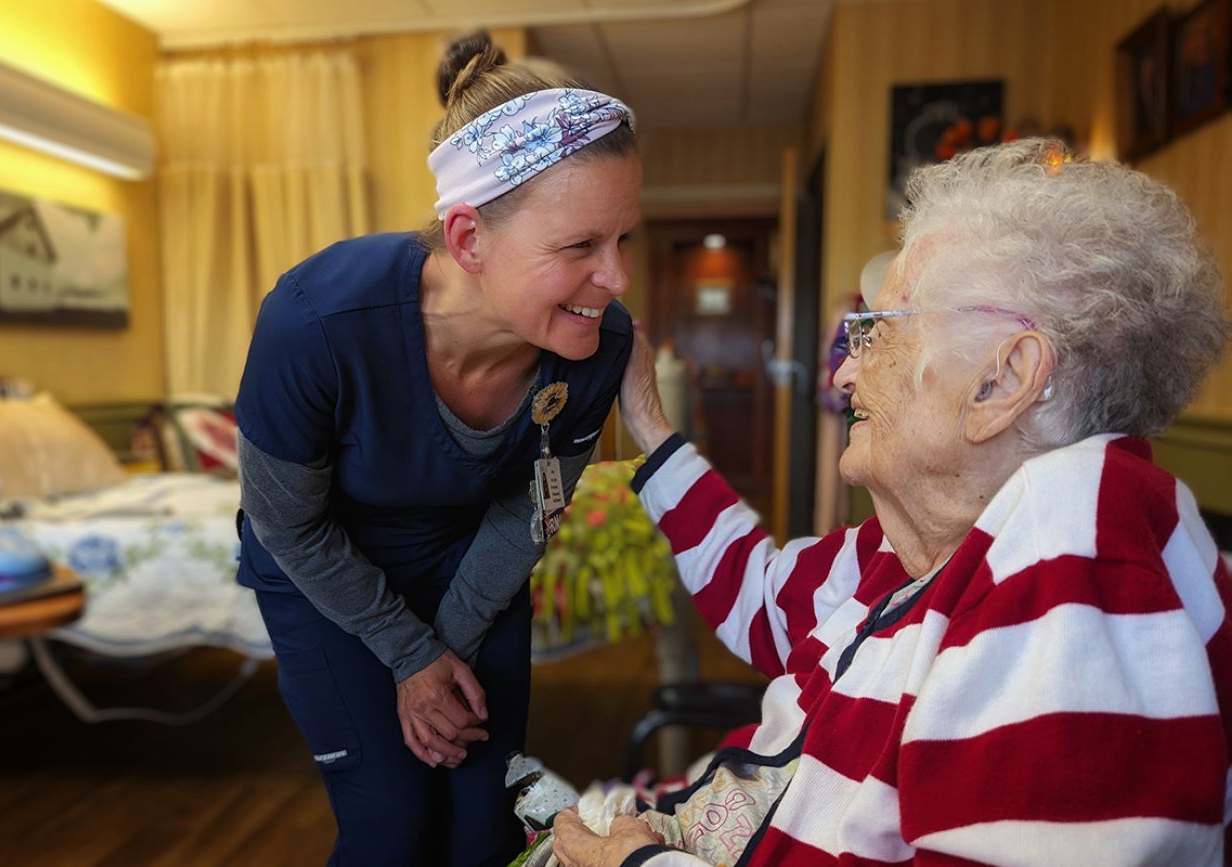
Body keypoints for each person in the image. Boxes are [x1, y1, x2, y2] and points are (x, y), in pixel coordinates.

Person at [550, 138, 1232, 866]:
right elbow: (757, 592)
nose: (845, 375)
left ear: (1001, 382)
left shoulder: (1076, 543)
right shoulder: (907, 548)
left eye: (878, 335)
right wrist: (650, 422)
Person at [233, 32, 639, 866]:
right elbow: (291, 526)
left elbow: (527, 511)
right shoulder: (315, 324)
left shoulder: (597, 346)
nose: (618, 278)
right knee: (392, 824)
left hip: (472, 574)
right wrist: (407, 655)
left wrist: (440, 651)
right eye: (580, 247)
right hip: (325, 576)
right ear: (467, 240)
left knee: (484, 824)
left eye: (622, 239)